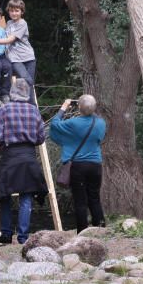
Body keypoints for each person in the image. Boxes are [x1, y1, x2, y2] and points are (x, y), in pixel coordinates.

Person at [0, 78, 46, 244]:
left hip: (10, 156)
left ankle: (7, 234)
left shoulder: (4, 110)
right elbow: (41, 138)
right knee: (26, 197)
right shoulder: (34, 110)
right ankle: (23, 237)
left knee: (5, 195)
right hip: (29, 157)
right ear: (27, 93)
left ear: (12, 92)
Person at [50, 94, 107, 233]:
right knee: (94, 197)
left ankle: (82, 231)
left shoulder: (73, 123)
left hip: (78, 166)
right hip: (95, 165)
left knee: (80, 199)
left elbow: (55, 124)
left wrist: (63, 108)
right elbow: (99, 139)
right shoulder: (101, 123)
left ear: (79, 107)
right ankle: (100, 228)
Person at [0, 0, 36, 97]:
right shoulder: (9, 24)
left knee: (28, 84)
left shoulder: (23, 23)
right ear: (8, 11)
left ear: (22, 12)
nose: (14, 13)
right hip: (15, 59)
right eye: (11, 11)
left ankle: (32, 110)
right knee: (26, 80)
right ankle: (20, 104)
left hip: (28, 57)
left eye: (17, 11)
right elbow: (2, 38)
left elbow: (9, 40)